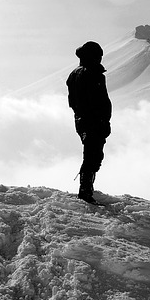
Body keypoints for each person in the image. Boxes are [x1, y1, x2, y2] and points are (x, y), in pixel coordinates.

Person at [66, 41, 112, 204]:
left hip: (84, 120)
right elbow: (97, 100)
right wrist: (101, 120)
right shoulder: (91, 73)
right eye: (98, 56)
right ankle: (85, 191)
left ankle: (86, 189)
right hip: (92, 121)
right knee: (93, 155)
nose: (100, 59)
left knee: (92, 154)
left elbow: (74, 102)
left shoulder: (75, 74)